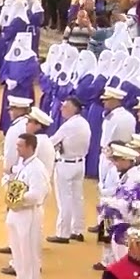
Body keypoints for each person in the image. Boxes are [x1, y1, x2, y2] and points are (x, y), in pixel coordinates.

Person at [3, 132, 49, 279]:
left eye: (20, 146)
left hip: (29, 213)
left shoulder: (37, 168)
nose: (17, 148)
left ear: (30, 147)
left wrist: (17, 198)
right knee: (18, 252)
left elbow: (38, 194)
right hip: (17, 213)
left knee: (29, 252)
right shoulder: (23, 164)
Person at [48, 97, 92, 244]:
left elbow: (52, 142)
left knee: (64, 199)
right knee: (77, 198)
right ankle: (77, 230)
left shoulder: (69, 125)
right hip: (80, 164)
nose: (62, 109)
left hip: (65, 164)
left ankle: (63, 233)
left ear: (74, 109)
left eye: (65, 107)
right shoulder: (84, 123)